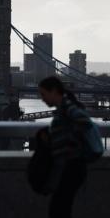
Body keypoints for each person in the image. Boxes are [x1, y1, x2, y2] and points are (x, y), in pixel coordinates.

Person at [38, 76, 89, 218]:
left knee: (58, 210)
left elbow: (85, 124)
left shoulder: (68, 109)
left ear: (54, 91)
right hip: (72, 168)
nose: (42, 99)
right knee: (62, 208)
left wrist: (68, 141)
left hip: (70, 169)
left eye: (43, 94)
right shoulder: (65, 108)